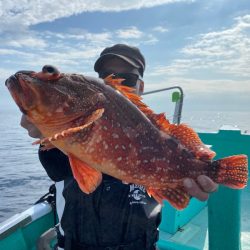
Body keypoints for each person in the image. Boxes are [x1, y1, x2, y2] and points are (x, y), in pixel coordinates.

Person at [20, 44, 218, 250]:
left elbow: (189, 149)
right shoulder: (73, 129)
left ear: (141, 87)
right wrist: (45, 128)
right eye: (108, 75)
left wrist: (203, 163)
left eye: (128, 78)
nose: (118, 81)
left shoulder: (160, 136)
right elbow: (56, 167)